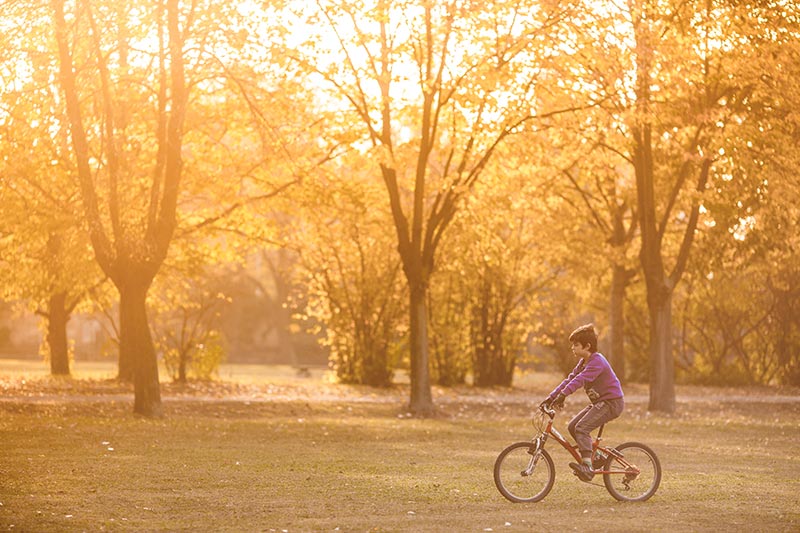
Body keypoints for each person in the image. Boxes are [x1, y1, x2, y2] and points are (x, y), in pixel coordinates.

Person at [539, 324, 624, 482]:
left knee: (582, 428)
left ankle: (587, 466)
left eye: (576, 345)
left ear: (587, 346)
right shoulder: (584, 362)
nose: (572, 347)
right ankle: (597, 457)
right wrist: (551, 397)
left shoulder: (597, 361)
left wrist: (564, 395)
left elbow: (581, 379)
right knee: (573, 427)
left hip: (611, 403)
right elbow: (570, 379)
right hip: (600, 402)